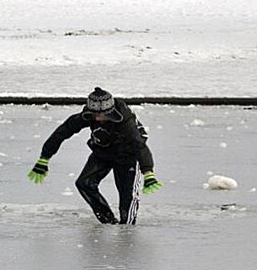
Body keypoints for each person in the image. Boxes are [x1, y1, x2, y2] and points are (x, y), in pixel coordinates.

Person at [27, 87, 162, 225]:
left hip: (128, 155)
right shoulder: (88, 115)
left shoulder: (125, 120)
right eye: (95, 115)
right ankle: (108, 221)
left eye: (102, 115)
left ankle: (126, 229)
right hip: (103, 151)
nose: (98, 119)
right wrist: (44, 158)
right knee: (84, 183)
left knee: (126, 196)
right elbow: (63, 131)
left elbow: (138, 145)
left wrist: (148, 171)